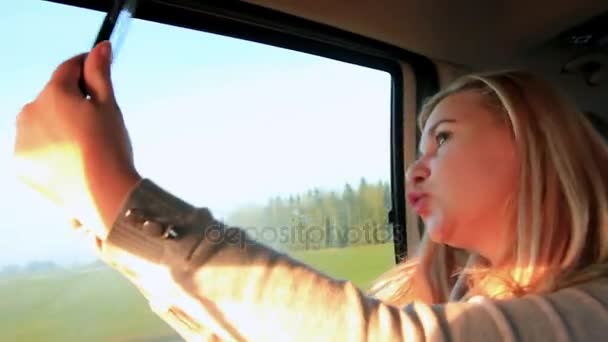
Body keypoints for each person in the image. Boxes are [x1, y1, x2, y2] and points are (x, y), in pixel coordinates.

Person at [13, 41, 608, 341]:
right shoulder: (456, 296)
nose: (414, 171)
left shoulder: (594, 311)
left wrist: (120, 199)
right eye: (418, 146)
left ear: (532, 144)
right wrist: (117, 235)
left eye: (442, 138)